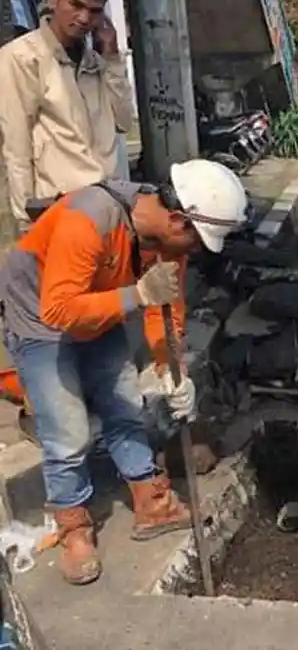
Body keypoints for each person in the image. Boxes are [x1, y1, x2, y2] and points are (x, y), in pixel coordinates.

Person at [0, 159, 250, 584]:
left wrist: (172, 370)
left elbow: (166, 309)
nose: (193, 253)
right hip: (39, 312)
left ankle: (150, 502)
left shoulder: (168, 241)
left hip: (101, 301)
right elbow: (59, 310)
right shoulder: (90, 220)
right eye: (196, 242)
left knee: (124, 401)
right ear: (176, 218)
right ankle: (73, 526)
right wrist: (135, 293)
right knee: (67, 428)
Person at [0, 0, 135, 238]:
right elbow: (16, 148)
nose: (84, 18)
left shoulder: (96, 62)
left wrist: (113, 59)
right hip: (59, 212)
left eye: (94, 11)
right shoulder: (21, 59)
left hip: (107, 207)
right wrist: (26, 223)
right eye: (76, 5)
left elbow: (124, 122)